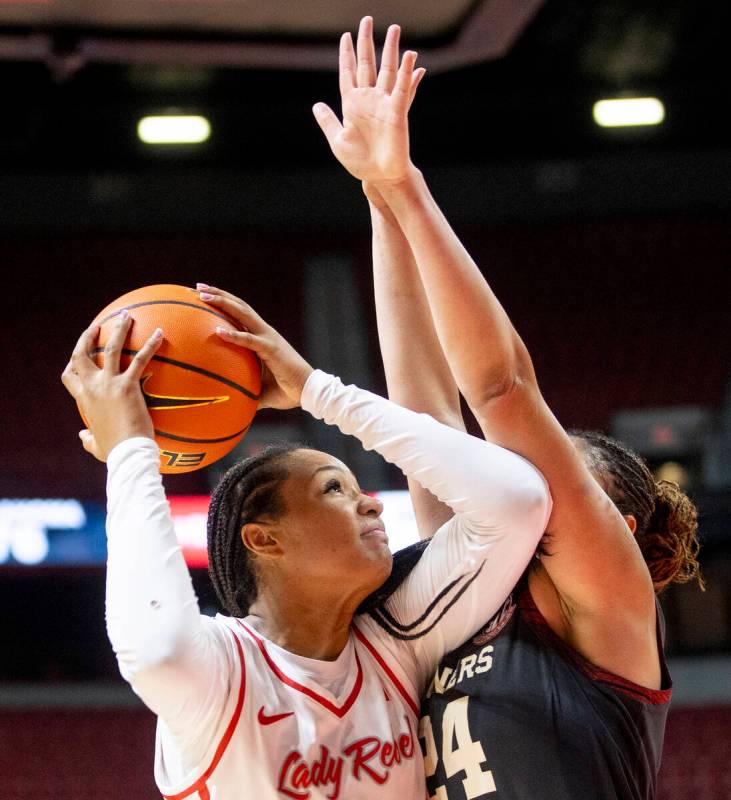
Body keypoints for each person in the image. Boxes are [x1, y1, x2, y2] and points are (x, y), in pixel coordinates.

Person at [313, 16, 704, 800]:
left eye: (539, 469)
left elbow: (500, 391)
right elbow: (422, 411)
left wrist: (406, 187)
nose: (508, 474)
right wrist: (376, 192)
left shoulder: (606, 604)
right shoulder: (469, 580)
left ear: (612, 531)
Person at [61, 291, 551, 799]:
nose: (373, 506)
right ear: (264, 538)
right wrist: (130, 449)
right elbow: (156, 649)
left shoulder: (395, 644)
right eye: (335, 489)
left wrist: (319, 392)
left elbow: (516, 503)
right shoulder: (224, 670)